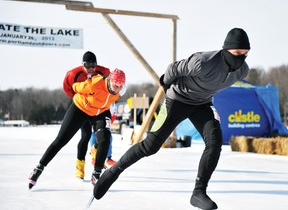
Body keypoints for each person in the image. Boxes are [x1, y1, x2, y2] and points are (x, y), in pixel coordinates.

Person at [93, 28, 251, 210]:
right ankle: (114, 171)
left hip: (202, 104)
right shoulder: (203, 62)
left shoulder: (242, 71)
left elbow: (215, 84)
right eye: (238, 53)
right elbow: (173, 69)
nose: (241, 58)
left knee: (214, 143)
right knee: (149, 146)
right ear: (226, 49)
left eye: (245, 54)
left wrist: (210, 104)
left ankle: (199, 192)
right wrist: (166, 84)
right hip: (176, 101)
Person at [28, 68, 126, 189]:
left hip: (100, 112)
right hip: (80, 109)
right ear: (110, 80)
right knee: (61, 140)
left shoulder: (121, 90)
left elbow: (112, 98)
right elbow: (75, 87)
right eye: (116, 85)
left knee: (105, 139)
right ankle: (38, 168)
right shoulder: (95, 83)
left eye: (121, 86)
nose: (118, 89)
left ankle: (96, 174)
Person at [62, 51, 116, 180]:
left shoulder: (103, 72)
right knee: (85, 136)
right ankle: (80, 165)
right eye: (88, 66)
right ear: (83, 65)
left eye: (93, 65)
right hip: (82, 106)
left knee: (101, 135)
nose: (91, 69)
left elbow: (110, 86)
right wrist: (80, 98)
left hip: (97, 107)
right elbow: (67, 88)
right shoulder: (74, 74)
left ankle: (95, 150)